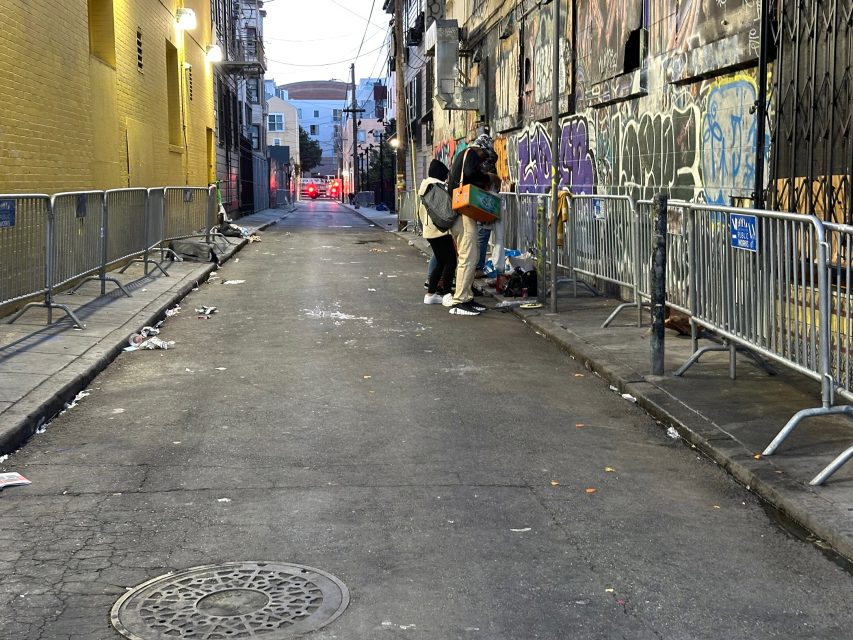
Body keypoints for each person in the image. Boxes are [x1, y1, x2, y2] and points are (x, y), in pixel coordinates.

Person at [444, 133, 499, 316]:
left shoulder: (464, 154)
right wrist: (487, 178)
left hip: (461, 212)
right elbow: (469, 173)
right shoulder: (471, 153)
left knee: (471, 256)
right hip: (463, 213)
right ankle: (460, 300)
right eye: (485, 155)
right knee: (468, 257)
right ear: (482, 149)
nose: (483, 160)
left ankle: (467, 297)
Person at [417, 159, 458, 305]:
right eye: (445, 175)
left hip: (430, 230)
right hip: (438, 230)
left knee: (441, 262)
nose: (446, 178)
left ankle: (430, 294)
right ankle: (447, 294)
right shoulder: (434, 186)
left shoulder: (425, 185)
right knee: (450, 261)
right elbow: (445, 209)